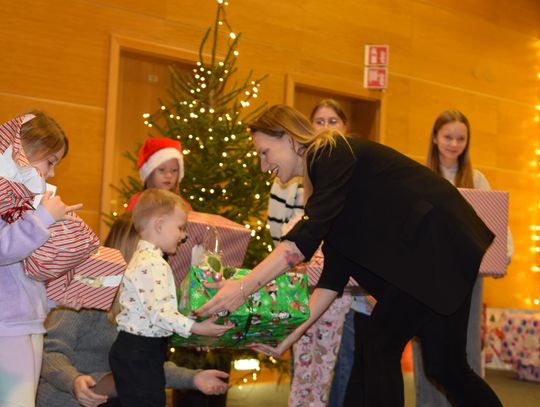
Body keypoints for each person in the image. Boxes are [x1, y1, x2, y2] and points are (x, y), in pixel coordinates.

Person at [198, 104, 504, 407]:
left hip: (436, 246)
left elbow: (298, 245)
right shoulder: (329, 188)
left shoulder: (330, 153)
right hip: (443, 249)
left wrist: (241, 290)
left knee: (380, 343)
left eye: (264, 152)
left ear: (288, 137)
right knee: (446, 367)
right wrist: (288, 337)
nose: (264, 166)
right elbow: (332, 280)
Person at [37, 213, 230, 407]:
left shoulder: (144, 297)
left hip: (117, 394)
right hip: (69, 398)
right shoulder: (88, 291)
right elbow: (50, 351)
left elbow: (145, 365)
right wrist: (74, 381)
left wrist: (193, 378)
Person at [412, 110, 514, 407]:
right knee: (428, 350)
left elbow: (497, 224)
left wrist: (503, 257)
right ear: (435, 137)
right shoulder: (420, 176)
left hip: (468, 278)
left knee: (466, 348)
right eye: (448, 137)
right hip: (428, 278)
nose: (454, 144)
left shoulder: (476, 179)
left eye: (461, 138)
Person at [109, 188, 232, 406]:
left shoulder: (146, 258)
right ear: (159, 225)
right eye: (180, 227)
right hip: (140, 352)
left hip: (139, 350)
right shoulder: (152, 263)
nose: (183, 236)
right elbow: (160, 313)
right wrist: (198, 328)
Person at [0, 111, 83, 407]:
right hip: (6, 327)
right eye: (50, 161)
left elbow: (24, 272)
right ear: (25, 149)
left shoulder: (21, 199)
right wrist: (43, 218)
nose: (53, 173)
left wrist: (54, 298)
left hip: (26, 324)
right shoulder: (3, 193)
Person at [126, 137, 190, 212]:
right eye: (162, 170)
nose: (169, 175)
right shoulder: (138, 202)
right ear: (150, 172)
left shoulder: (182, 205)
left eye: (174, 170)